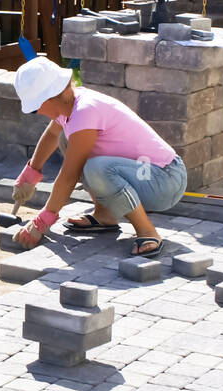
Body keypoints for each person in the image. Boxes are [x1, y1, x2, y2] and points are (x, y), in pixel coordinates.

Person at [11, 56, 187, 257]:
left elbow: (69, 174)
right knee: (66, 141)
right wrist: (30, 174)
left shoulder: (84, 112)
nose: (38, 112)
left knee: (97, 168)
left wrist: (43, 221)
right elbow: (51, 135)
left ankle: (148, 231)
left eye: (35, 108)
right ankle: (104, 216)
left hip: (164, 180)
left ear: (49, 98)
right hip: (146, 174)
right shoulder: (68, 105)